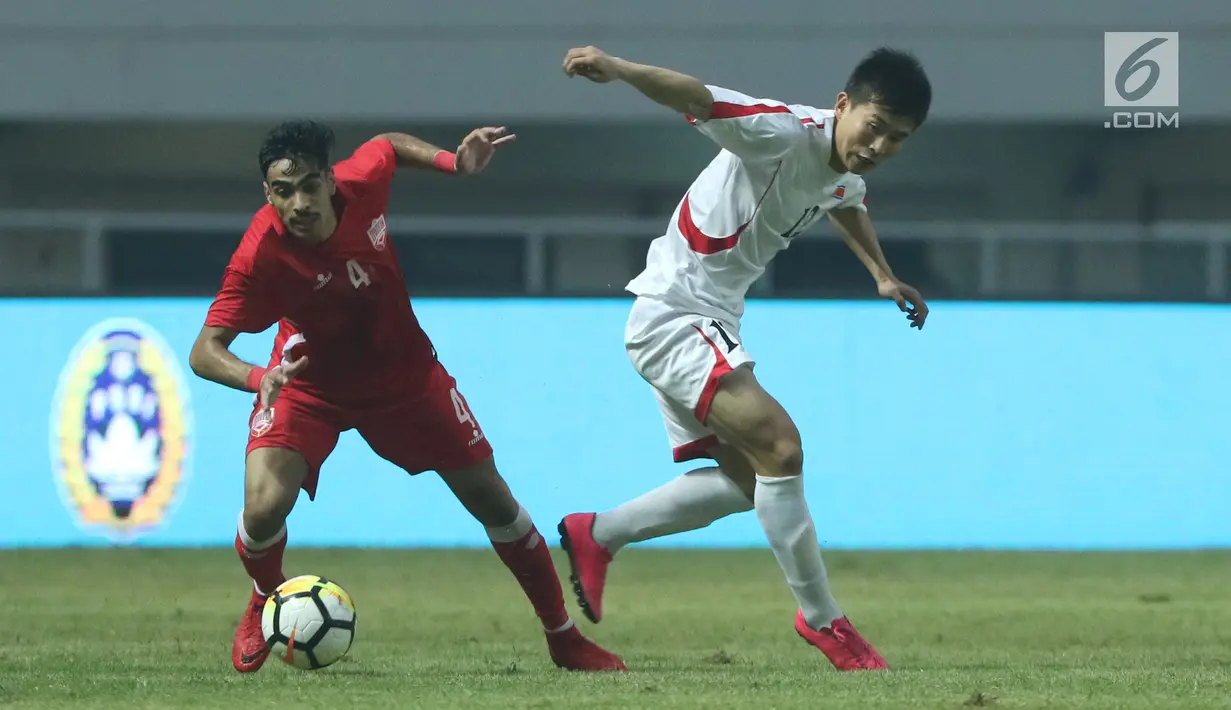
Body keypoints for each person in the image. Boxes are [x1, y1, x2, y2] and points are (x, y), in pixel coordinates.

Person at [189, 119, 626, 674]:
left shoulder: (361, 181)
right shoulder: (260, 252)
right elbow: (204, 351)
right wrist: (260, 379)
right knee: (262, 507)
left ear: (329, 179)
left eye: (308, 186)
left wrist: (452, 162)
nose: (297, 203)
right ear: (267, 193)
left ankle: (563, 638)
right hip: (309, 384)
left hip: (406, 381)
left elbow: (386, 146)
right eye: (282, 190)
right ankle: (266, 598)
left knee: (496, 504)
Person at [556, 46, 933, 671]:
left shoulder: (843, 167)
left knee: (749, 483)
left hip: (703, 317)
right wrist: (619, 70)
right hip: (676, 314)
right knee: (782, 448)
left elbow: (846, 196)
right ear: (844, 106)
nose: (879, 145)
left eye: (898, 139)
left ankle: (597, 534)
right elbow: (698, 96)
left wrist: (882, 275)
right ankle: (824, 622)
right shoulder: (779, 130)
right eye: (875, 126)